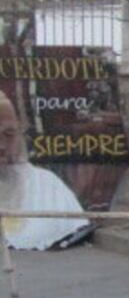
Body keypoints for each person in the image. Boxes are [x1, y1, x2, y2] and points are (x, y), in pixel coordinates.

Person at [0, 90, 88, 250]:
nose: (1, 146)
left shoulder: (46, 183)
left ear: (20, 134)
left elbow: (77, 229)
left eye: (8, 134)